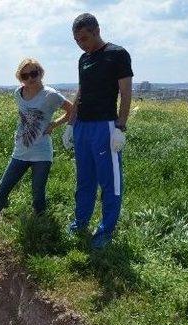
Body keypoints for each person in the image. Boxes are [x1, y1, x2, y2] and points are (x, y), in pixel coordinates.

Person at [0, 58, 73, 232]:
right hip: (20, 150)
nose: (30, 78)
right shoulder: (18, 93)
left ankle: (41, 227)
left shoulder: (51, 95)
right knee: (4, 186)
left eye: (34, 73)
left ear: (41, 73)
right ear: (20, 78)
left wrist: (54, 124)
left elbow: (72, 110)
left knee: (37, 191)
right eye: (25, 75)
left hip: (42, 152)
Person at [62, 13, 133, 249]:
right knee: (85, 179)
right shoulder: (84, 59)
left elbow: (125, 94)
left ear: (97, 30)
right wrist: (71, 123)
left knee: (110, 181)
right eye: (77, 40)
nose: (82, 43)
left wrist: (120, 128)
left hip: (105, 126)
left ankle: (105, 230)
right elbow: (81, 92)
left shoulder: (117, 54)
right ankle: (80, 222)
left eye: (84, 38)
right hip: (82, 125)